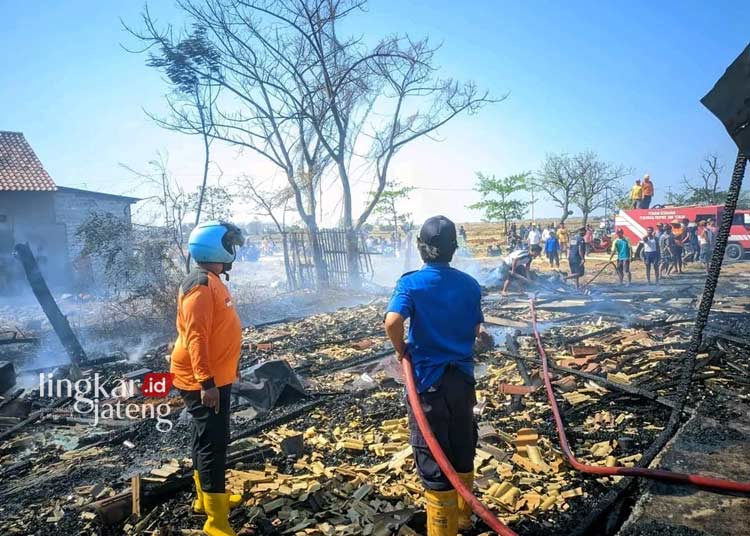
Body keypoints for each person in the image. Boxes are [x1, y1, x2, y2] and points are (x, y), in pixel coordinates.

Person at [384, 215, 483, 535]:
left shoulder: (411, 283)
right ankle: (464, 519)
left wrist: (401, 350)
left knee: (433, 455)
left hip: (427, 385)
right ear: (454, 249)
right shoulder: (470, 285)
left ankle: (445, 529)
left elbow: (392, 321)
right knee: (462, 443)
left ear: (421, 249)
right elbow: (477, 329)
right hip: (462, 381)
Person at [170, 221, 246, 536]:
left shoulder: (211, 279)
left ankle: (206, 501)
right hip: (202, 378)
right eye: (231, 243)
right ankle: (217, 523)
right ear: (216, 246)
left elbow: (216, 332)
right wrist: (207, 383)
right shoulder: (200, 285)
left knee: (205, 438)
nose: (235, 250)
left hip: (214, 373)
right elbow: (196, 338)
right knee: (214, 444)